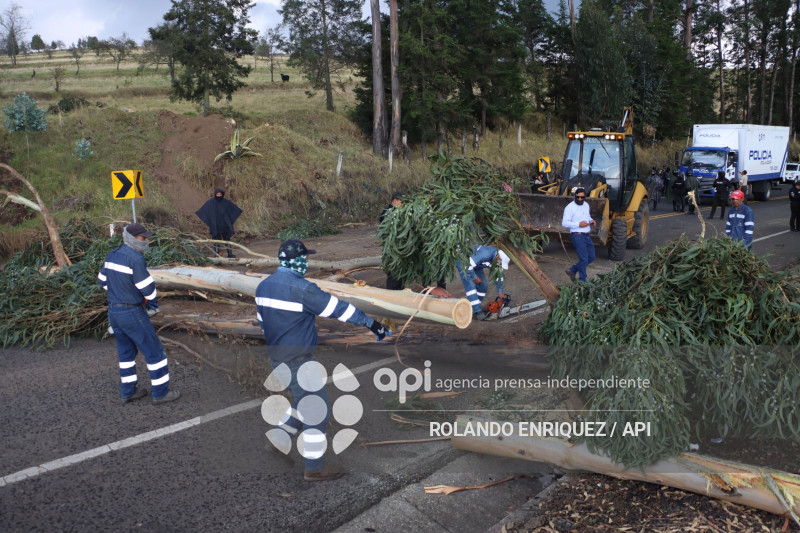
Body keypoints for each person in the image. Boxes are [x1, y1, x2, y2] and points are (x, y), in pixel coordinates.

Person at [256, 239, 390, 481]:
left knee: (302, 402)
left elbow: (262, 322)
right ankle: (314, 469)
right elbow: (339, 309)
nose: (306, 263)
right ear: (296, 260)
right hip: (298, 361)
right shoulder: (302, 289)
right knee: (318, 411)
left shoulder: (263, 287)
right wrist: (372, 323)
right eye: (305, 259)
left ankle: (278, 441)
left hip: (277, 360)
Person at [97, 223, 181, 405]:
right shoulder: (135, 259)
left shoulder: (112, 254)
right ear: (132, 238)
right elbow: (148, 290)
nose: (146, 241)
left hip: (114, 311)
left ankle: (128, 391)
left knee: (126, 353)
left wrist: (119, 290)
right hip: (132, 312)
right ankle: (160, 393)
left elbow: (102, 281)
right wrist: (150, 301)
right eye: (143, 238)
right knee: (155, 352)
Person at [456, 245, 510, 321]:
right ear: (499, 258)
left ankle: (472, 307)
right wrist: (474, 277)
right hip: (464, 264)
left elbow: (499, 274)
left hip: (476, 266)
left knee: (483, 286)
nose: (500, 266)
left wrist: (500, 292)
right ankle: (476, 311)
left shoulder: (497, 260)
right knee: (471, 286)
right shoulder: (485, 253)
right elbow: (468, 265)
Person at [195, 188, 243, 258]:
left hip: (225, 225)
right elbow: (203, 211)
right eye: (217, 194)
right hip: (215, 225)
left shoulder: (226, 202)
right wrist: (210, 222)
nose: (219, 195)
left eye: (220, 194)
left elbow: (233, 210)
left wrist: (229, 220)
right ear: (215, 194)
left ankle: (230, 253)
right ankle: (216, 254)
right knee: (216, 240)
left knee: (227, 239)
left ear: (222, 194)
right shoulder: (210, 203)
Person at [562, 187, 596, 283]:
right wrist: (578, 224)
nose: (580, 199)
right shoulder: (569, 207)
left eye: (582, 197)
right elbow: (564, 223)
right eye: (578, 197)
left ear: (585, 197)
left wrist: (591, 220)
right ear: (575, 196)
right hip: (577, 235)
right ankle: (582, 281)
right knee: (584, 259)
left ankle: (572, 270)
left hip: (587, 235)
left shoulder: (586, 205)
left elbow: (587, 216)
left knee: (592, 257)